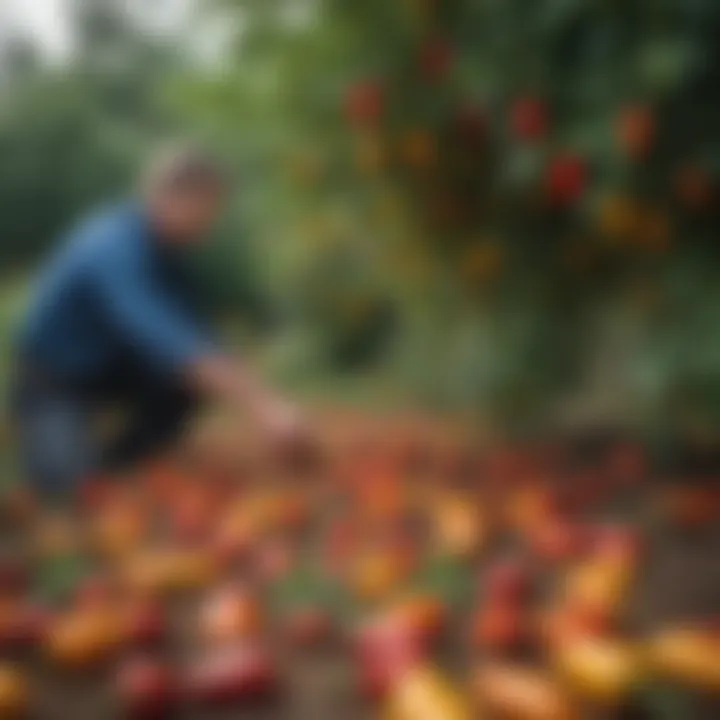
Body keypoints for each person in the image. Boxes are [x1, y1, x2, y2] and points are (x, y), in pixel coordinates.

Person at [12, 144, 308, 504]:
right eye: (207, 209)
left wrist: (256, 391)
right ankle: (66, 452)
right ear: (172, 197)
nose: (209, 225)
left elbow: (205, 340)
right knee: (70, 489)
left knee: (187, 388)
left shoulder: (170, 258)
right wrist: (267, 408)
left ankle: (124, 458)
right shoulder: (113, 245)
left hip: (114, 370)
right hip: (54, 380)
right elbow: (175, 344)